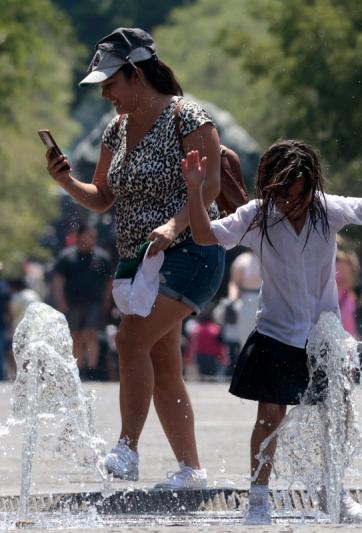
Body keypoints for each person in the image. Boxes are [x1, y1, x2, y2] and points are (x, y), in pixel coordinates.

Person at [181, 139, 362, 524]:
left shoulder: (326, 210)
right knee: (269, 417)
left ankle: (333, 491)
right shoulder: (257, 215)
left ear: (312, 187)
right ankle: (259, 498)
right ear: (270, 188)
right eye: (283, 194)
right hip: (276, 333)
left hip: (322, 338)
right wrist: (195, 191)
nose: (291, 202)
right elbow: (204, 235)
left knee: (336, 415)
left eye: (299, 194)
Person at [45, 27, 225, 489]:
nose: (106, 93)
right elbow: (103, 196)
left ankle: (127, 449)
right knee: (162, 363)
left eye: (110, 83)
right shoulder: (115, 129)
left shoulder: (188, 116)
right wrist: (67, 181)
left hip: (192, 252)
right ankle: (192, 470)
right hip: (140, 263)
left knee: (128, 342)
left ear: (136, 74)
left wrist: (174, 224)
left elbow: (210, 186)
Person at [51, 223, 113, 380]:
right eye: (89, 235)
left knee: (91, 334)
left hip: (95, 303)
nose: (92, 239)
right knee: (76, 336)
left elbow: (109, 282)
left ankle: (92, 370)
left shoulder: (102, 257)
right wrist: (60, 301)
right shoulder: (66, 257)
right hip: (72, 303)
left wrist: (108, 301)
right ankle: (79, 369)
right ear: (79, 236)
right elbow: (58, 281)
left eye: (94, 236)